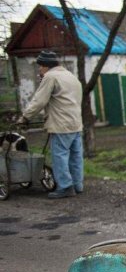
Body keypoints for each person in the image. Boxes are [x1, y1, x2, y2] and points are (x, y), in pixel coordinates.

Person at [19, 50, 84, 199]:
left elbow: (39, 101)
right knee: (76, 156)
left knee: (59, 155)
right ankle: (77, 185)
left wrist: (25, 117)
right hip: (75, 123)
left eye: (40, 67)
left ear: (46, 66)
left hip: (61, 124)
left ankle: (66, 187)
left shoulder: (50, 77)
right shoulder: (70, 76)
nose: (39, 70)